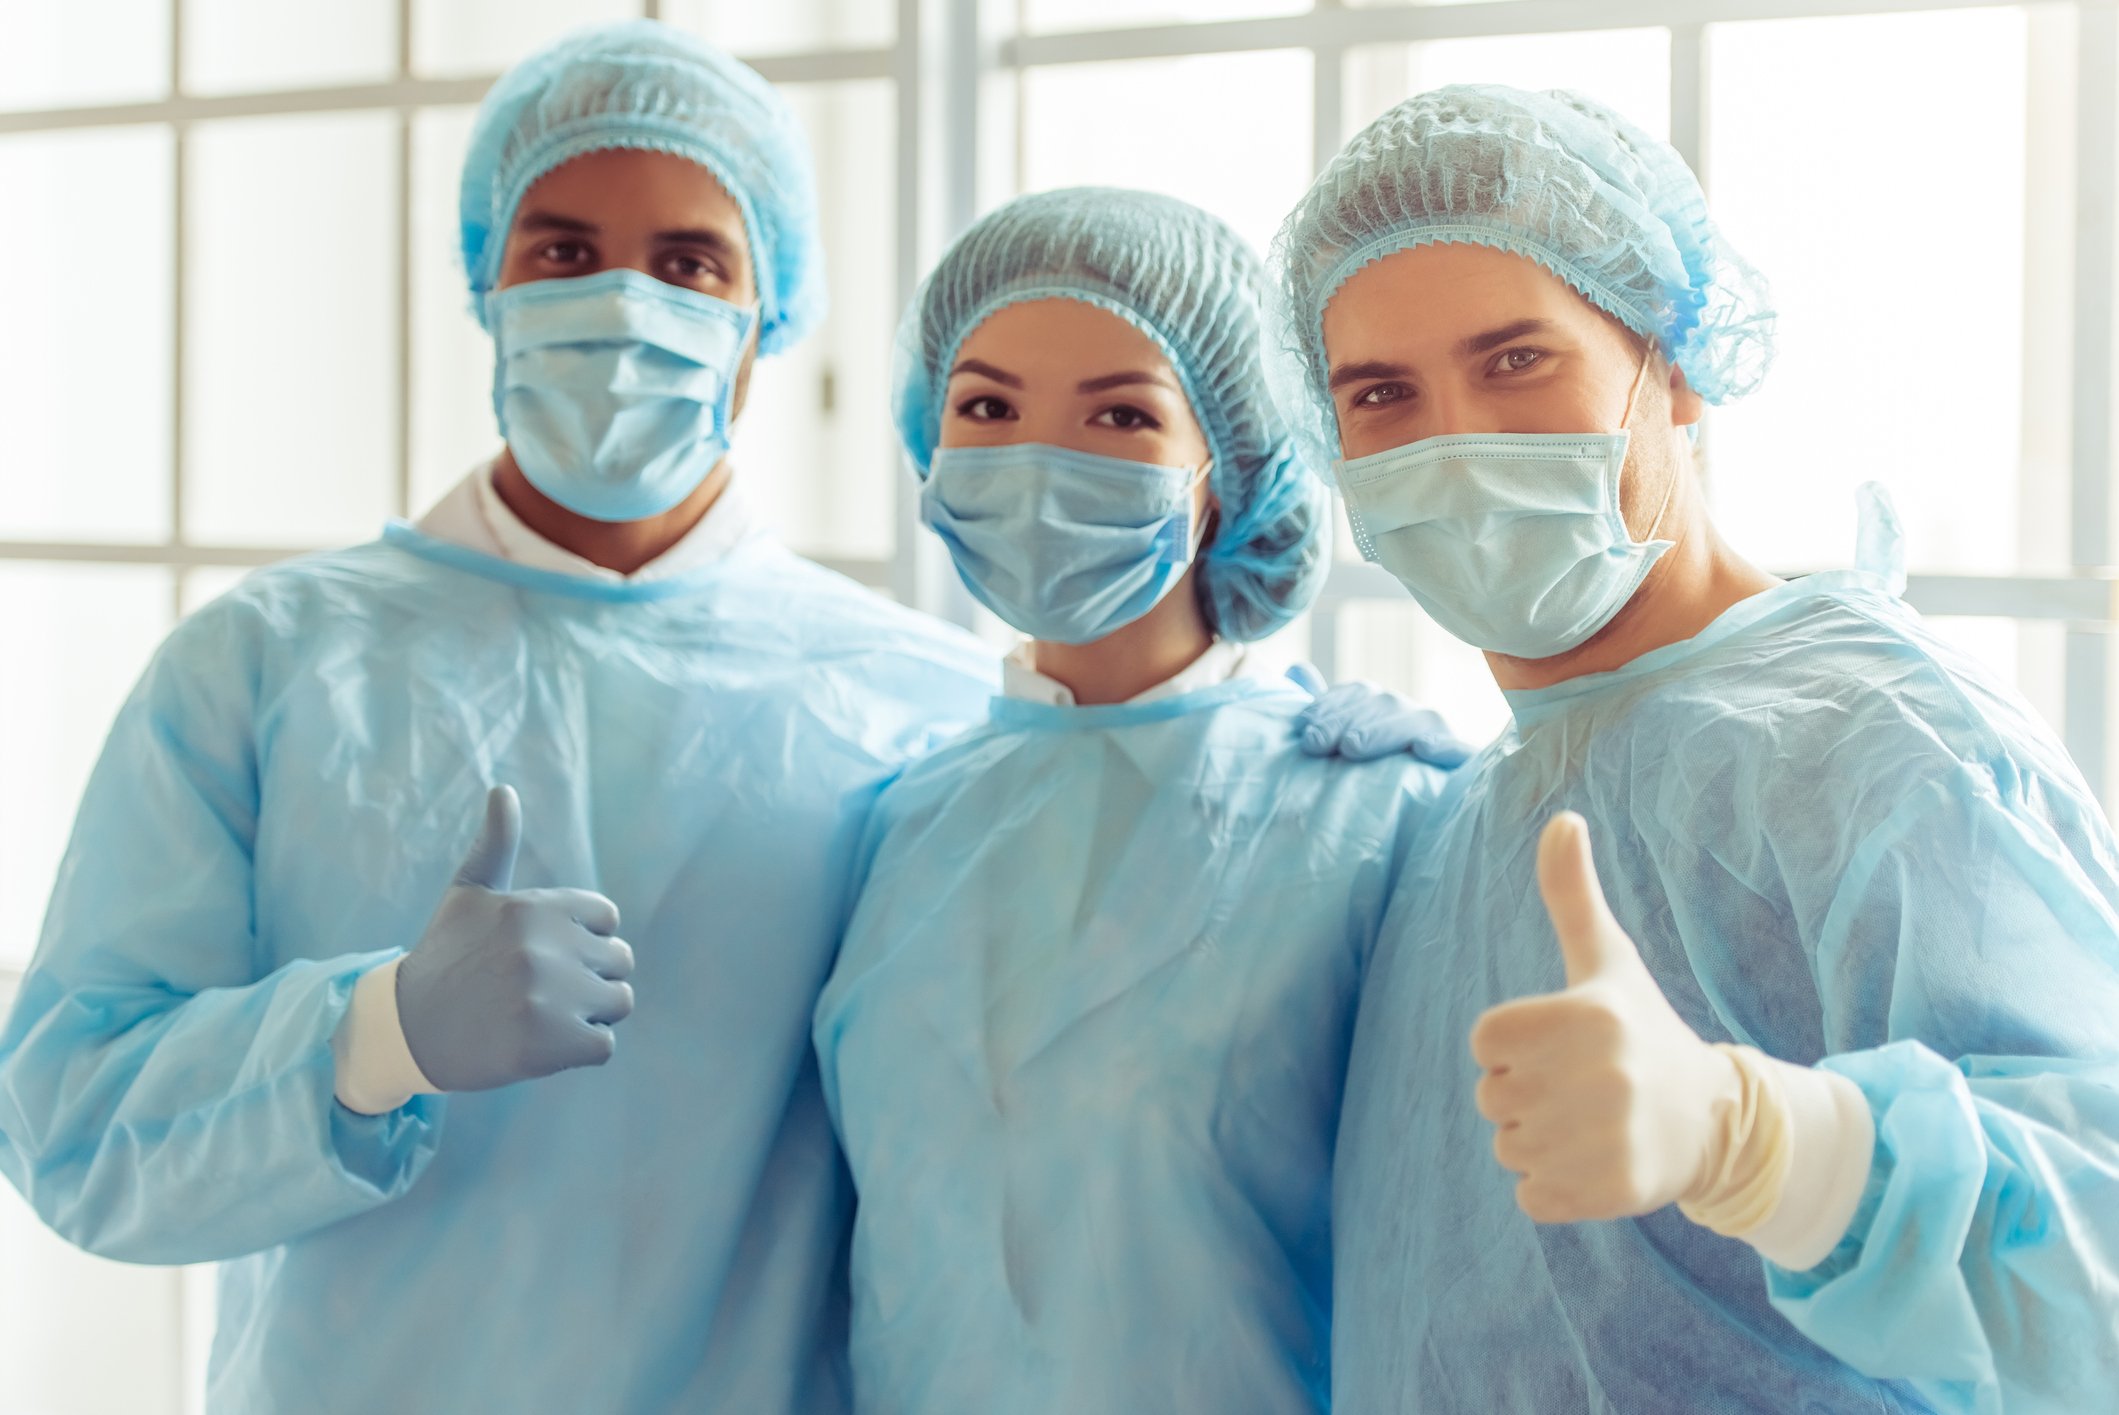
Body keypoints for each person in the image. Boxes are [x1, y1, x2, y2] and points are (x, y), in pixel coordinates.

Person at [0, 22, 1000, 1413]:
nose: (623, 303)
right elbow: (75, 1125)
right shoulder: (266, 663)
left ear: (768, 310)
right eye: (563, 249)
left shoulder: (923, 703)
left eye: (690, 263)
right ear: (490, 279)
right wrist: (377, 1033)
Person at [1273, 84, 2119, 1413]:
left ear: (1670, 368)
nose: (1454, 442)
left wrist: (1766, 1144)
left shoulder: (1874, 745)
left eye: (1515, 360)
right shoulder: (1471, 815)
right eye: (1381, 393)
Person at [811, 187, 1461, 1415]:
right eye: (986, 407)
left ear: (1230, 472)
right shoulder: (902, 822)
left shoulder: (1370, 819)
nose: (1037, 459)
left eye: (1121, 413)